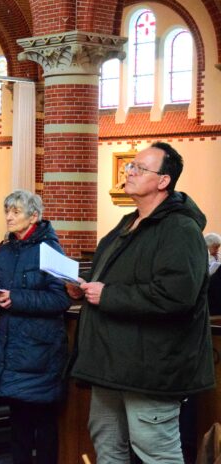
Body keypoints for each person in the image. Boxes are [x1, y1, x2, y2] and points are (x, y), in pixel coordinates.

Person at [68, 142, 214, 463]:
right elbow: (116, 274)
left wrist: (107, 295)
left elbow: (176, 296)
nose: (129, 172)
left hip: (151, 368)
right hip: (109, 364)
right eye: (130, 166)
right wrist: (84, 285)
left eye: (139, 168)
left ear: (163, 181)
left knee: (156, 452)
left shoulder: (180, 229)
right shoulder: (128, 223)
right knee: (108, 447)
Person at [0, 190, 70, 464]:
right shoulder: (6, 251)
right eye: (7, 211)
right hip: (12, 347)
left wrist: (17, 298)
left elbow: (60, 299)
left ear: (34, 216)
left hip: (39, 350)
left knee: (43, 423)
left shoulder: (50, 251)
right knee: (18, 423)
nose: (9, 217)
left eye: (16, 212)